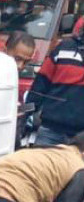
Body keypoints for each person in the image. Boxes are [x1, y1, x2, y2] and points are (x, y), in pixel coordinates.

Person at [27, 17, 84, 146]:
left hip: (81, 140)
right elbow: (41, 84)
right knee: (39, 166)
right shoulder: (63, 48)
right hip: (51, 131)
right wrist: (26, 117)